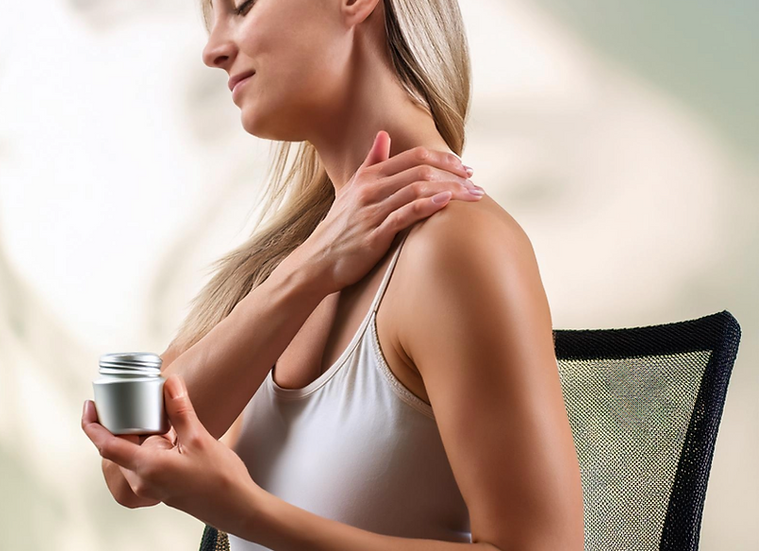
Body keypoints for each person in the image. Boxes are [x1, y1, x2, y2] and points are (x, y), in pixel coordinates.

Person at [81, 0, 585, 549]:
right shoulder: (290, 265)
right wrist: (311, 267)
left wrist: (247, 511)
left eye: (242, 6)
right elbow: (127, 469)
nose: (213, 50)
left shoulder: (456, 247)